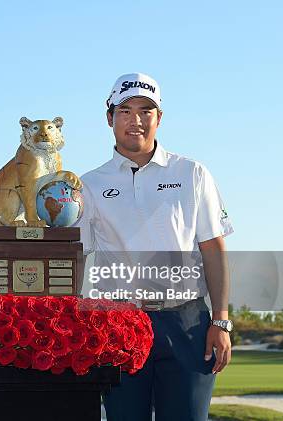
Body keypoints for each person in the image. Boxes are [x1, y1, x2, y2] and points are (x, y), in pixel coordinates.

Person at [74, 73, 233, 421]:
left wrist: (221, 322)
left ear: (159, 117)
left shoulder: (193, 173)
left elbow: (213, 249)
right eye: (125, 110)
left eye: (146, 110)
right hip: (119, 323)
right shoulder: (88, 185)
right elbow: (76, 258)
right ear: (109, 118)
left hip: (187, 322)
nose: (136, 120)